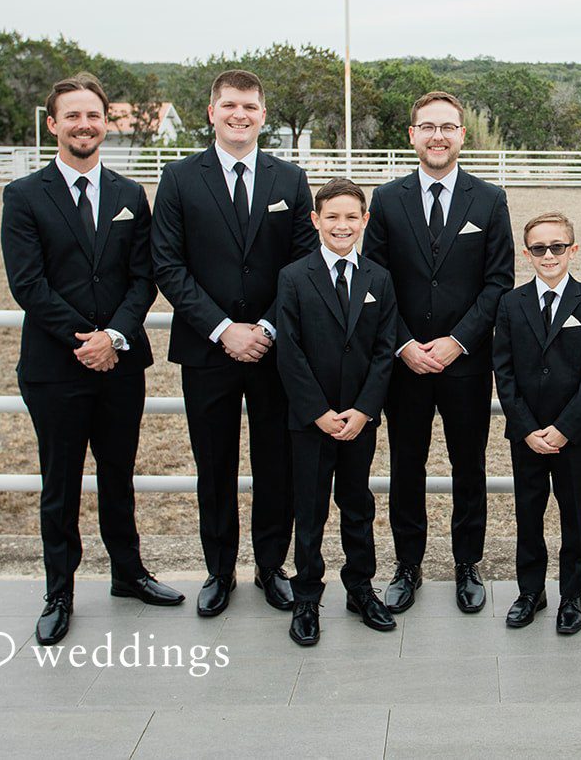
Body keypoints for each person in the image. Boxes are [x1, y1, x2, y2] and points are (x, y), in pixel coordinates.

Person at [1, 73, 183, 646]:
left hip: (121, 365)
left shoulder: (131, 195)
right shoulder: (25, 195)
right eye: (72, 116)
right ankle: (60, 590)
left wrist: (116, 338)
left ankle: (127, 573)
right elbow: (28, 285)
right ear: (53, 124)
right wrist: (86, 340)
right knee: (61, 481)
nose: (84, 125)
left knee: (119, 475)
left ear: (106, 123)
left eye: (94, 116)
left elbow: (143, 277)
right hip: (55, 368)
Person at [151, 69, 315, 617]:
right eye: (229, 105)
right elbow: (168, 266)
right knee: (214, 464)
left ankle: (272, 566)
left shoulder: (289, 180)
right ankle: (219, 569)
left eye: (249, 106)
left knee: (278, 464)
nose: (239, 115)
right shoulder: (178, 178)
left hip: (275, 351)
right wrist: (223, 329)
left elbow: (301, 265)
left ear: (263, 114)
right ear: (211, 112)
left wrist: (266, 328)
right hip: (207, 349)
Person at [361, 91, 514, 614]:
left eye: (448, 127)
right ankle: (408, 564)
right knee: (407, 464)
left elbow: (498, 283)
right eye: (427, 126)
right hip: (404, 365)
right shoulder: (386, 200)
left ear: (462, 135)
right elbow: (375, 283)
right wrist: (404, 344)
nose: (438, 136)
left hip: (465, 363)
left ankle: (467, 563)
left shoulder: (489, 200)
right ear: (412, 135)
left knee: (467, 464)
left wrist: (457, 342)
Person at [274, 177, 401, 646]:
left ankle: (360, 587)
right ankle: (307, 596)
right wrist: (318, 412)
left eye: (351, 217)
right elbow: (289, 350)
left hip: (358, 419)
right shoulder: (293, 277)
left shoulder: (378, 279)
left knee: (357, 504)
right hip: (311, 420)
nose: (342, 225)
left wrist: (364, 410)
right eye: (332, 217)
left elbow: (384, 350)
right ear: (315, 221)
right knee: (308, 509)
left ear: (364, 221)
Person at [493, 212, 581, 635]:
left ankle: (571, 596)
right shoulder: (510, 303)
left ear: (573, 251)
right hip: (526, 434)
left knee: (575, 517)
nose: (548, 255)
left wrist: (564, 428)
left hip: (572, 435)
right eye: (539, 248)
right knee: (528, 513)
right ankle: (530, 592)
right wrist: (526, 427)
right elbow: (503, 372)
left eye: (557, 247)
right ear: (527, 254)